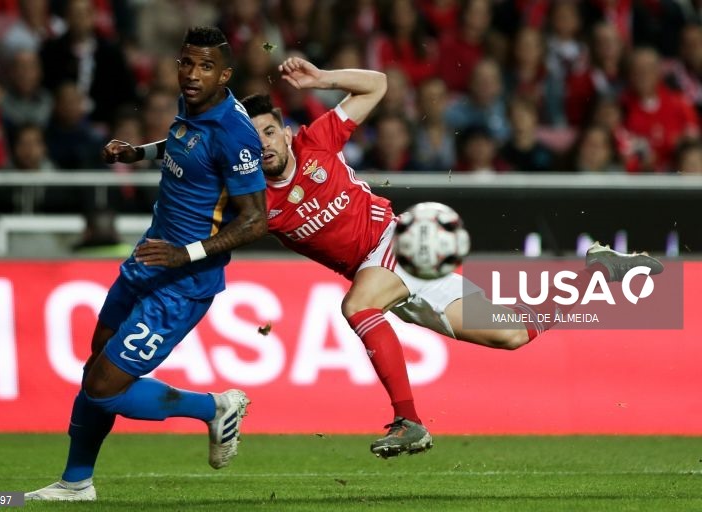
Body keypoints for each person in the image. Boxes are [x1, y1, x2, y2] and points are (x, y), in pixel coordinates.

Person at [233, 58, 663, 458]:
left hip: (399, 241)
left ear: (286, 133)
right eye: (253, 140)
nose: (263, 144)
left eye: (269, 132)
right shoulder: (254, 201)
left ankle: (409, 421)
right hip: (386, 276)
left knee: (357, 306)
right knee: (512, 334)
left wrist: (322, 79)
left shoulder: (316, 140)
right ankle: (598, 271)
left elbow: (377, 85)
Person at [25, 26, 267, 501]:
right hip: (149, 256)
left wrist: (184, 253)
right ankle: (76, 483)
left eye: (205, 67)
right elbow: (186, 146)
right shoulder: (193, 105)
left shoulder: (234, 133)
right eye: (186, 63)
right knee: (96, 365)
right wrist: (140, 152)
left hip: (183, 281)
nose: (192, 74)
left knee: (104, 387)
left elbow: (256, 220)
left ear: (225, 75)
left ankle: (215, 407)